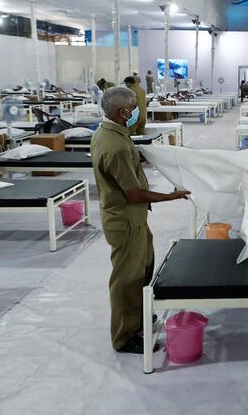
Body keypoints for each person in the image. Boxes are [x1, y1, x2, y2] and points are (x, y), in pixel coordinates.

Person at [91, 87, 190, 354]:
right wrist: (172, 196)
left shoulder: (112, 134)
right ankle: (124, 336)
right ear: (123, 112)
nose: (138, 110)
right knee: (127, 279)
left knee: (144, 268)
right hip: (124, 220)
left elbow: (129, 162)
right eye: (135, 106)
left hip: (132, 219)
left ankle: (139, 316)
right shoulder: (114, 146)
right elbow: (133, 193)